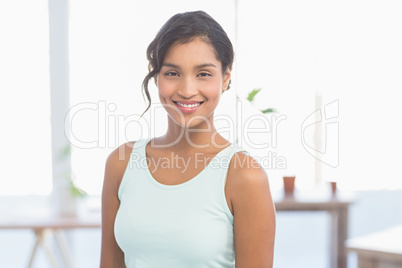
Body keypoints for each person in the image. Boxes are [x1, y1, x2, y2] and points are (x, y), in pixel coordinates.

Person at [101, 10, 276, 268]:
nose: (186, 90)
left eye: (203, 74)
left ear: (225, 78)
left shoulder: (244, 176)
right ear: (156, 75)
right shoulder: (121, 163)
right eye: (172, 73)